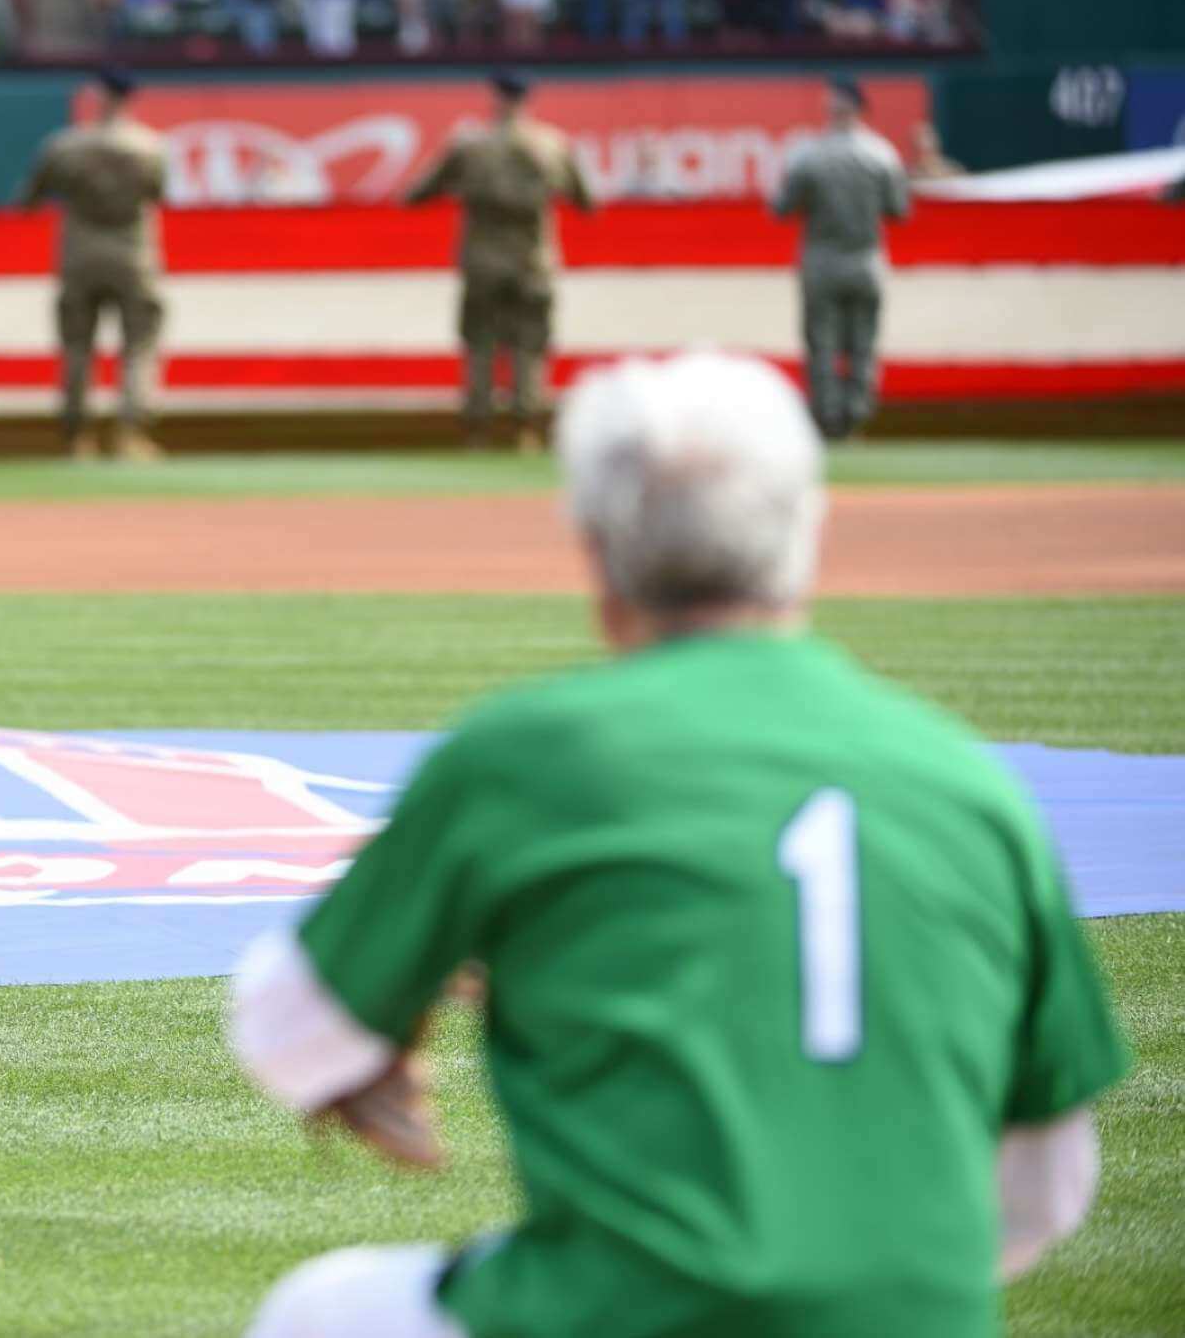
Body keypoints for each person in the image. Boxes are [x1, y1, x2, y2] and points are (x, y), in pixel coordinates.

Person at [232, 349, 1129, 1338]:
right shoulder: (971, 787)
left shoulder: (523, 756)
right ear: (805, 530)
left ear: (595, 549)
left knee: (313, 1312)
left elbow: (285, 1034)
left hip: (619, 1314)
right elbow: (1045, 1195)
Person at [402, 72, 594, 451]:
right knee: (530, 345)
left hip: (482, 260)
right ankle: (526, 430)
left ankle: (478, 431)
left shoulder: (470, 145)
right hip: (533, 260)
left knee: (480, 344)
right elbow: (586, 202)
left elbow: (417, 194)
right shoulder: (552, 144)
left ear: (495, 98)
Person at [20, 67, 171, 460]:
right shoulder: (150, 147)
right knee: (139, 345)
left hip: (79, 254)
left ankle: (77, 436)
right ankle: (131, 432)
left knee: (76, 347)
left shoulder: (64, 146)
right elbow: (160, 194)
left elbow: (30, 199)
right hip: (134, 254)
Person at [772, 75, 909, 439]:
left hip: (821, 262)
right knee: (863, 343)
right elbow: (898, 209)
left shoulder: (809, 155)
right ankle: (856, 414)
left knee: (822, 343)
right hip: (866, 261)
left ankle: (828, 418)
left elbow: (782, 208)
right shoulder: (882, 155)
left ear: (830, 110)